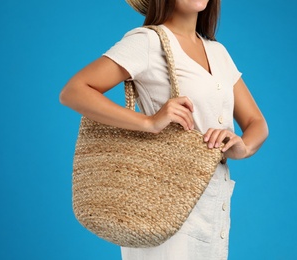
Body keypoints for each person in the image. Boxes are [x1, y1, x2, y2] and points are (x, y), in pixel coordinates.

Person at [60, 0, 268, 259]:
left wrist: (242, 146)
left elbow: (256, 123)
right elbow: (74, 91)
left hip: (213, 206)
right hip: (159, 202)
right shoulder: (148, 42)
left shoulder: (218, 52)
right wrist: (148, 123)